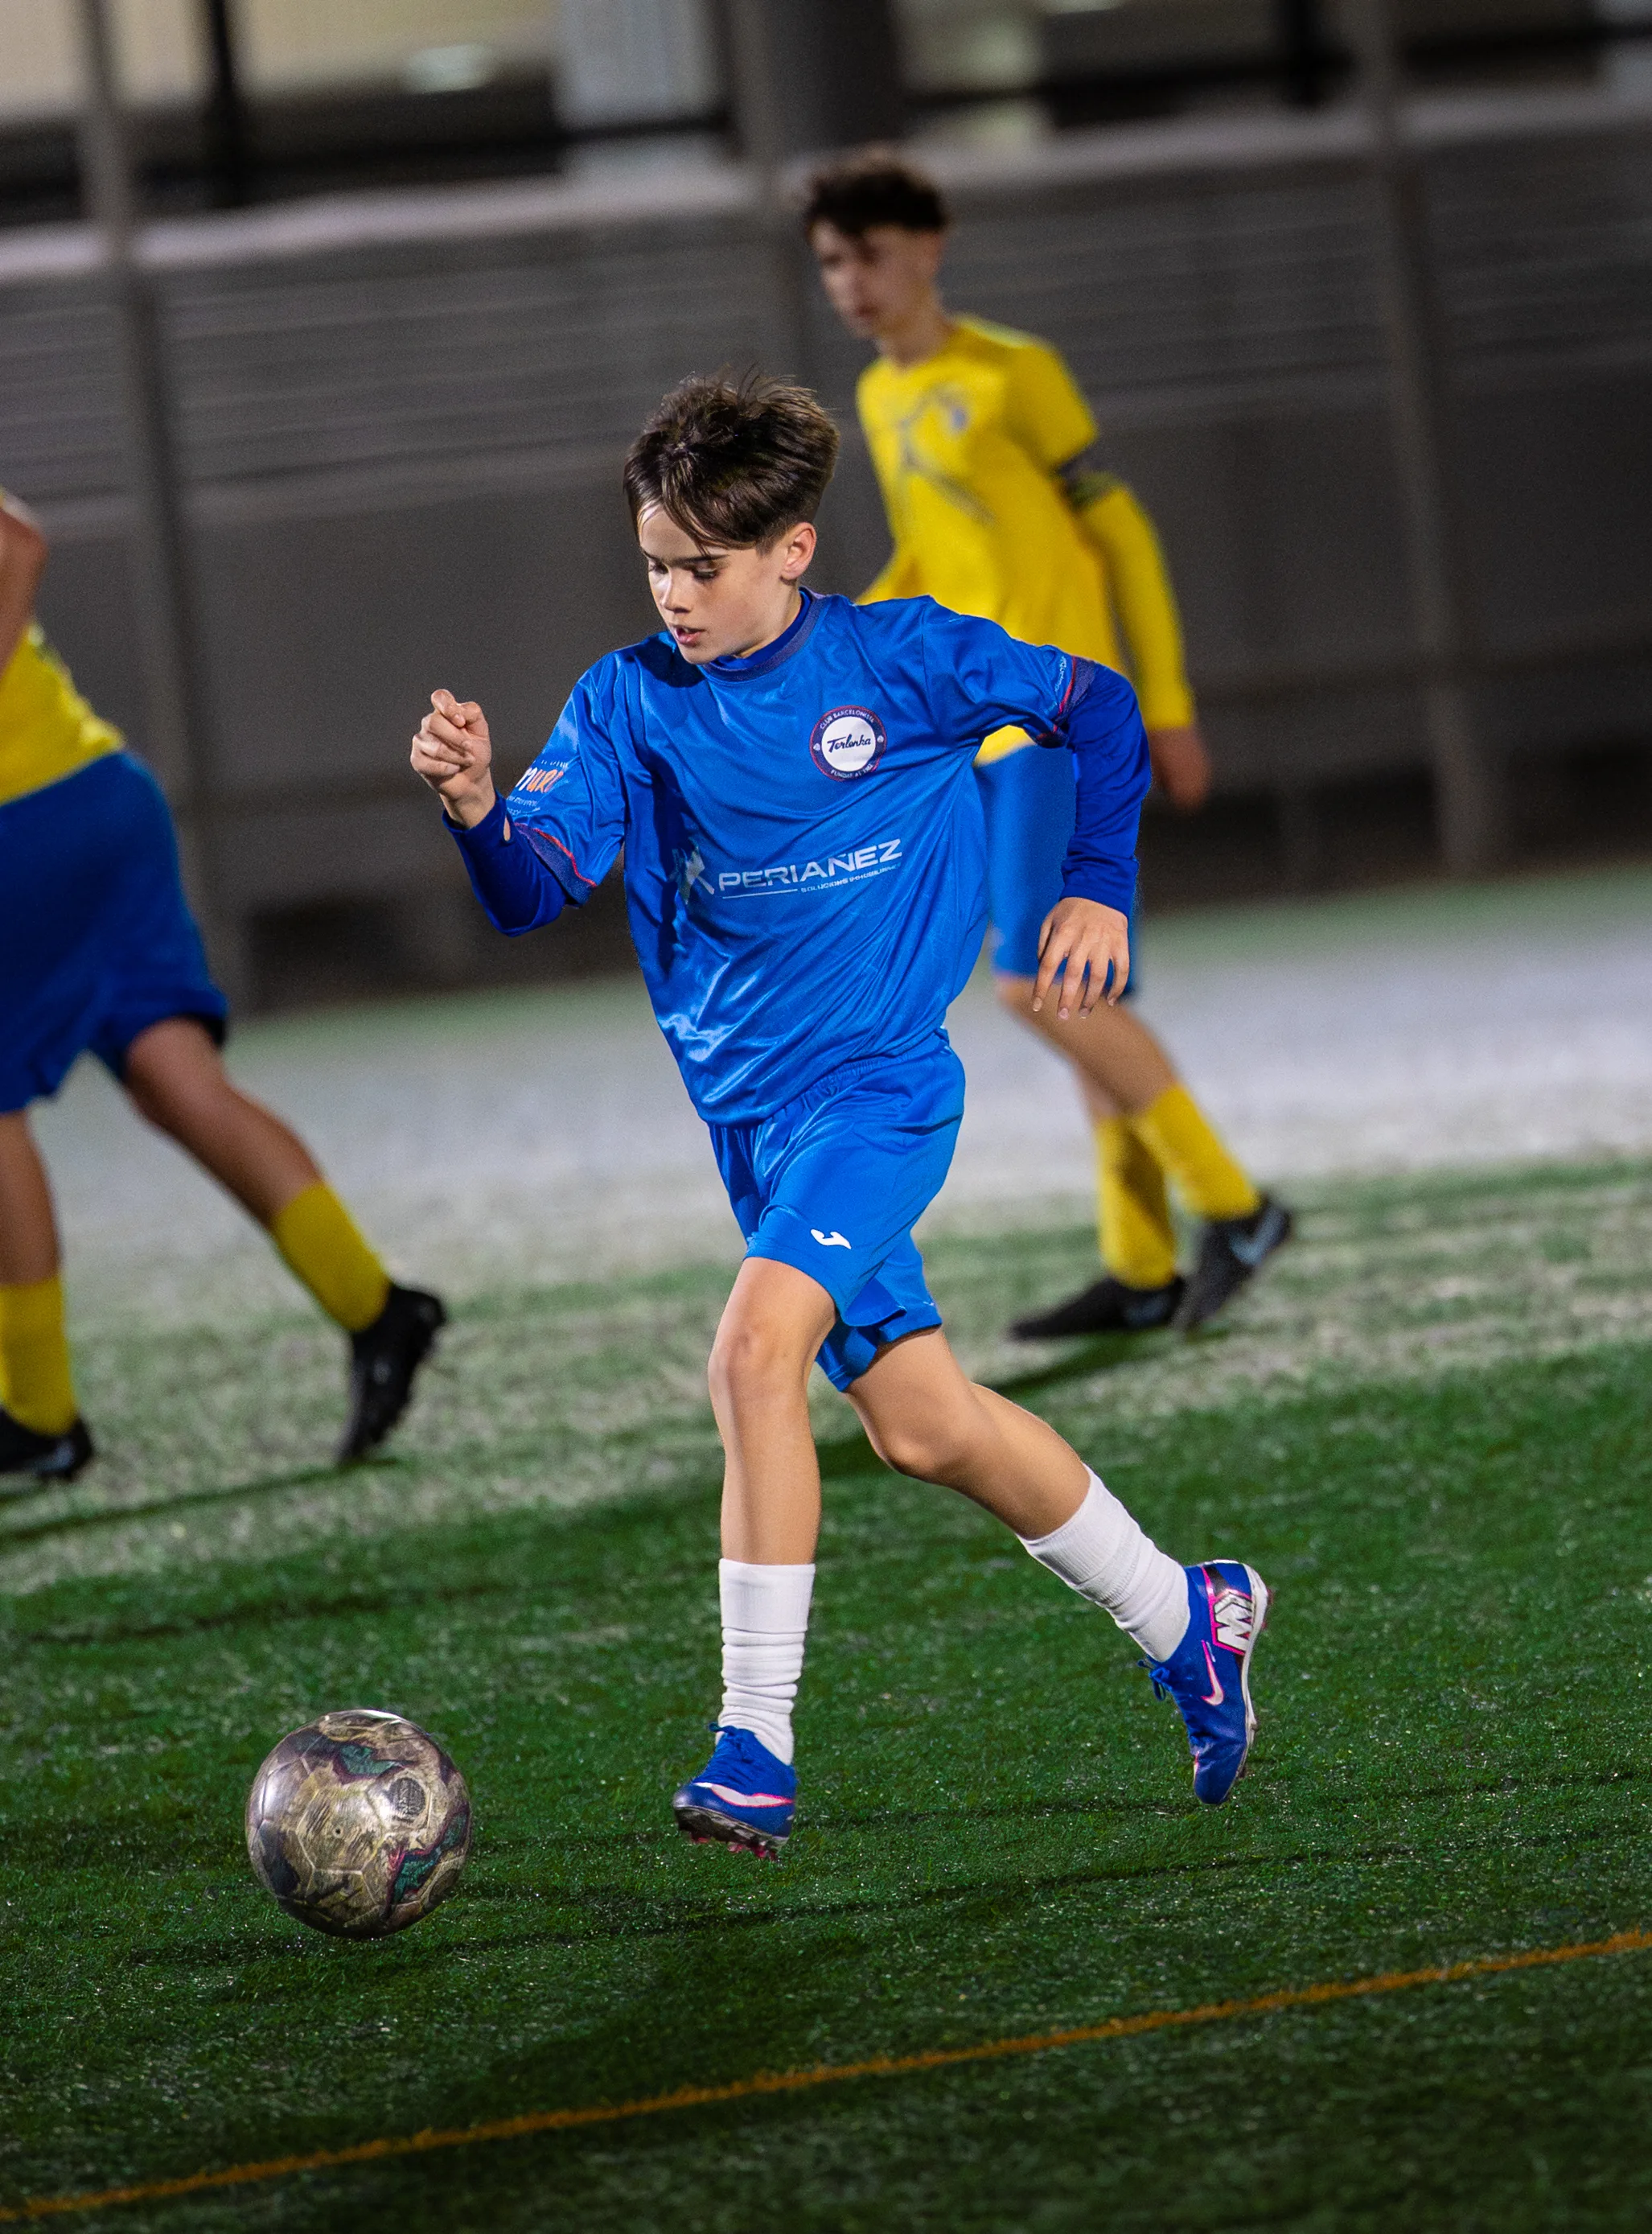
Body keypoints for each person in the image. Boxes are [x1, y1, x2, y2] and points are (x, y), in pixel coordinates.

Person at [411, 373, 1269, 1860]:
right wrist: (481, 809)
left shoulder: (902, 660)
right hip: (751, 1132)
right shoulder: (628, 703)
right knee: (927, 1430)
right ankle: (1185, 1615)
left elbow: (1097, 708)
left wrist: (1094, 885)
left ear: (791, 550)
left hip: (875, 1096)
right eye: (656, 565)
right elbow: (532, 888)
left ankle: (754, 1742)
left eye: (703, 564)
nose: (672, 593)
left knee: (752, 1352)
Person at [805, 151, 1290, 1340]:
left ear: (930, 246)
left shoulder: (1016, 375)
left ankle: (1235, 1206)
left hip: (1060, 717)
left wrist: (1164, 704)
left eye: (868, 254)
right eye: (830, 263)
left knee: (1035, 983)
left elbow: (1122, 538)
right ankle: (1138, 1266)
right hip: (985, 735)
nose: (851, 283)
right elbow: (934, 562)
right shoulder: (880, 397)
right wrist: (831, 656)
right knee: (1082, 986)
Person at [0, 490, 444, 1487]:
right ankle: (377, 1307)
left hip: (22, 820)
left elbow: (15, 542)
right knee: (175, 1082)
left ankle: (37, 1412)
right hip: (97, 796)